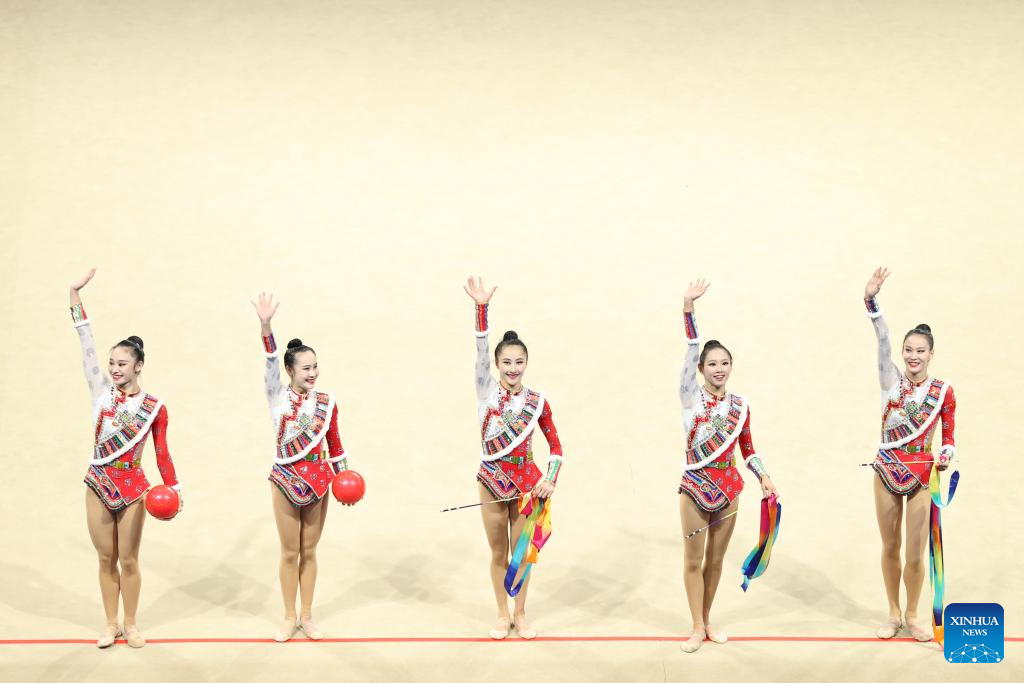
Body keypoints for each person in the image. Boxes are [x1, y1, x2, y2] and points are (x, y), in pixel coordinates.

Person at [70, 268, 181, 649]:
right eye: (112, 363)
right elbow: (85, 341)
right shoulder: (101, 393)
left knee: (129, 560)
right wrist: (75, 295)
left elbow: (162, 452)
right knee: (106, 558)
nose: (115, 369)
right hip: (98, 483)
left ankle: (131, 624)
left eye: (122, 364)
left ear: (138, 366)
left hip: (134, 486)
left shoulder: (155, 407)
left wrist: (174, 489)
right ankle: (110, 623)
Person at [677, 279, 776, 653]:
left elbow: (748, 449)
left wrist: (764, 476)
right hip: (694, 488)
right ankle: (695, 626)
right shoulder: (690, 397)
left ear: (731, 366)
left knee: (716, 561)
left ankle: (706, 620)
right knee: (694, 559)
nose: (719, 369)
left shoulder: (740, 406)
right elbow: (691, 347)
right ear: (701, 368)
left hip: (729, 488)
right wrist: (688, 309)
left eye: (724, 363)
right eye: (712, 364)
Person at [463, 276, 563, 640]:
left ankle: (520, 614)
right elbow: (479, 350)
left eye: (519, 362)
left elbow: (557, 447)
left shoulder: (537, 402)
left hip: (526, 486)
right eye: (506, 362)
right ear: (496, 364)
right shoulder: (485, 391)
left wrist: (550, 478)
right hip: (490, 482)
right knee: (498, 552)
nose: (513, 368)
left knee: (522, 553)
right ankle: (502, 614)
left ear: (526, 363)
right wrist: (481, 308)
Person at [252, 292, 353, 642]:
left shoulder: (327, 402)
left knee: (309, 551)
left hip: (320, 481)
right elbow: (269, 361)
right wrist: (266, 327)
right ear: (290, 371)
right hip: (285, 479)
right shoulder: (277, 397)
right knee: (290, 552)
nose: (313, 373)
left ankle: (307, 616)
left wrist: (344, 480)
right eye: (306, 368)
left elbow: (335, 445)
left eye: (315, 367)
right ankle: (288, 616)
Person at [863, 268, 956, 642]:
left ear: (931, 354)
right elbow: (883, 339)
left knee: (915, 552)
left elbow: (949, 437)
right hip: (887, 471)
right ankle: (893, 612)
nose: (913, 356)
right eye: (909, 350)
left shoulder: (943, 391)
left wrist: (945, 454)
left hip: (921, 475)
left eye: (920, 351)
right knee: (891, 546)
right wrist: (872, 301)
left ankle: (914, 614)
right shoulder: (890, 380)